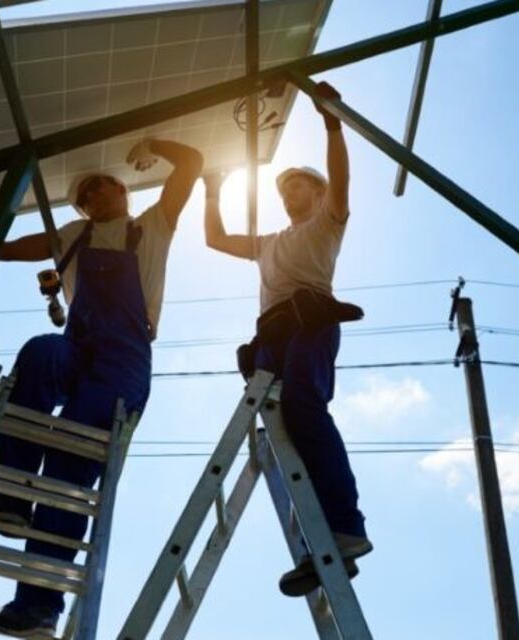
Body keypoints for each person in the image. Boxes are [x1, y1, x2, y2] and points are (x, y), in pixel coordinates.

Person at [0, 138, 202, 635]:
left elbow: (193, 163)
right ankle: (11, 496)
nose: (95, 195)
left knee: (65, 474)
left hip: (123, 359)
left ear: (123, 190)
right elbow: (5, 250)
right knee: (39, 352)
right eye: (85, 195)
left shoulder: (153, 224)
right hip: (77, 347)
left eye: (103, 186)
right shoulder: (73, 236)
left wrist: (150, 144)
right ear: (80, 209)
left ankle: (37, 608)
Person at [203, 81, 371, 597]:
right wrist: (212, 188)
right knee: (278, 435)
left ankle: (346, 523)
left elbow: (341, 180)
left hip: (311, 322)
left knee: (302, 404)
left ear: (317, 195)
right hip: (271, 332)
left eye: (298, 185)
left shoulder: (327, 222)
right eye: (284, 188)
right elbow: (213, 239)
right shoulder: (268, 243)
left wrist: (331, 122)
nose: (288, 191)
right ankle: (315, 549)